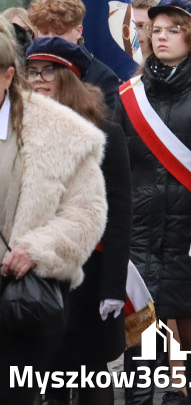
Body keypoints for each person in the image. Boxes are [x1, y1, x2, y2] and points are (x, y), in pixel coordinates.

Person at [116, 0, 191, 405]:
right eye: (156, 30)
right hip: (140, 229)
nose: (161, 36)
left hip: (189, 228)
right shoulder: (129, 93)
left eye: (171, 29)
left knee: (189, 327)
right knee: (143, 328)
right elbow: (114, 164)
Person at [0, 31, 108, 405]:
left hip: (20, 297)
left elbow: (87, 213)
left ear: (7, 76)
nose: (38, 78)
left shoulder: (65, 133)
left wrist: (36, 250)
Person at [23, 38, 131, 405]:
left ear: (68, 76)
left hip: (89, 270)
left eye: (47, 71)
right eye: (32, 71)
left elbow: (119, 215)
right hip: (33, 268)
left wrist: (114, 286)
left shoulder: (105, 133)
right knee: (45, 371)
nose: (38, 79)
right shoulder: (17, 132)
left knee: (89, 372)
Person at [28, 0, 122, 109]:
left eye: (59, 33)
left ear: (78, 31)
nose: (50, 40)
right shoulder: (24, 69)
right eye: (44, 32)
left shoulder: (102, 77)